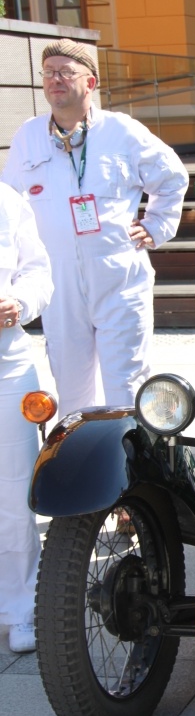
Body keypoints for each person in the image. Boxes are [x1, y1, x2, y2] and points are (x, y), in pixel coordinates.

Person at [1, 38, 189, 418]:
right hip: (59, 284)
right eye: (48, 73)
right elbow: (10, 209)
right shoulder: (28, 138)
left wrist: (155, 224)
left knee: (126, 385)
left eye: (66, 72)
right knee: (71, 391)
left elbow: (172, 177)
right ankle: (81, 468)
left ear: (91, 82)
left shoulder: (123, 132)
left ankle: (130, 468)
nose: (55, 80)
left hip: (118, 277)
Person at [0, 183, 52, 653]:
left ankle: (20, 610)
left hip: (7, 366)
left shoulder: (8, 201)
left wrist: (21, 303)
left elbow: (39, 274)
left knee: (16, 496)